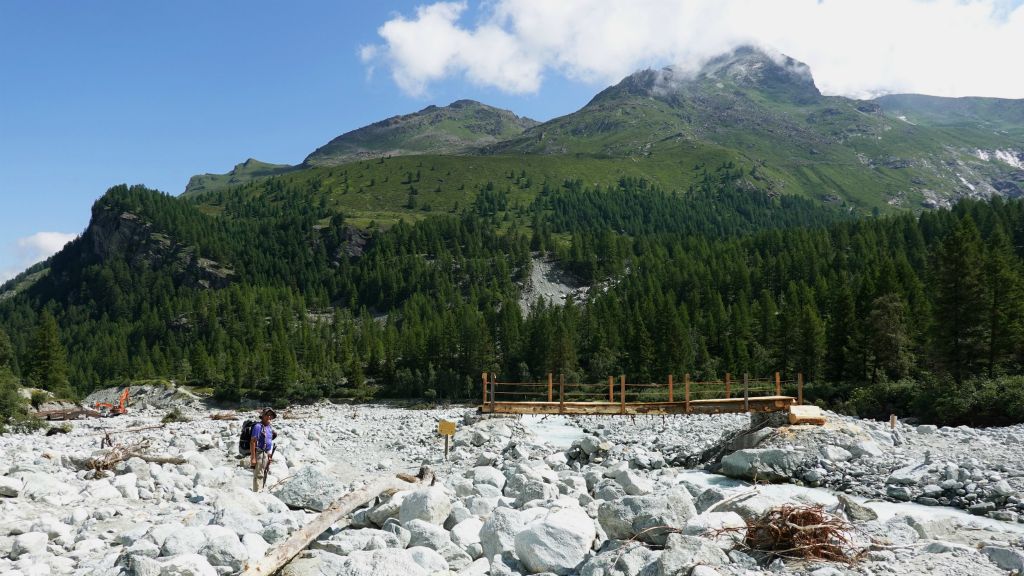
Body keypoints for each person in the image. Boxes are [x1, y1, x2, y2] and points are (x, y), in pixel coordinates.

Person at [250, 408, 276, 491]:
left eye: (270, 415)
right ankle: (257, 492)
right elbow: (253, 442)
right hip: (259, 453)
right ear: (263, 416)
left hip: (266, 453)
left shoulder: (269, 427)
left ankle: (260, 489)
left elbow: (268, 442)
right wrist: (253, 458)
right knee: (258, 474)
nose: (269, 417)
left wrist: (269, 455)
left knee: (264, 472)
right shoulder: (258, 426)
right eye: (267, 415)